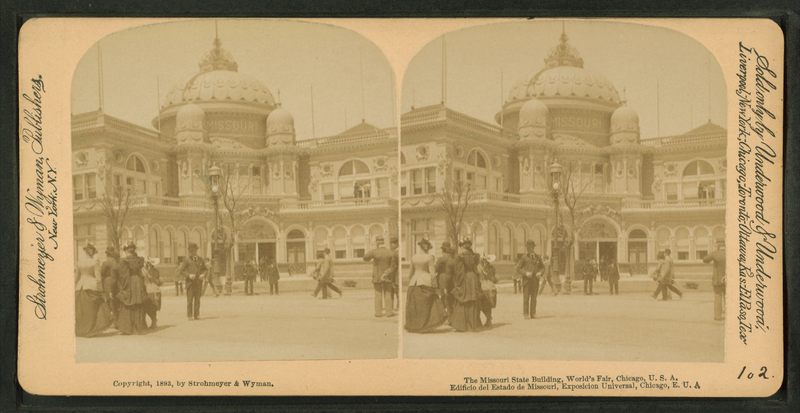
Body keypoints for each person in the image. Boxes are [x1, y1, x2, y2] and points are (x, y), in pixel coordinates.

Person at [404, 238, 447, 333]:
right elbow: (432, 273)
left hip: (414, 282)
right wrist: (435, 285)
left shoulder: (414, 257)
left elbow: (410, 273)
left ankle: (415, 325)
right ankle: (424, 325)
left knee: (415, 306)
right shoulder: (429, 257)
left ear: (420, 247)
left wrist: (411, 282)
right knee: (427, 305)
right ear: (428, 248)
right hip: (425, 281)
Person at [75, 243, 114, 337]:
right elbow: (98, 277)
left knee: (82, 310)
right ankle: (90, 329)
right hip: (91, 285)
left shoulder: (80, 262)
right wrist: (100, 289)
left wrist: (76, 286)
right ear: (92, 252)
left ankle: (81, 330)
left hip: (80, 287)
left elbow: (76, 277)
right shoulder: (94, 262)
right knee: (92, 310)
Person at [450, 239, 483, 331]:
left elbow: (459, 272)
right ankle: (473, 325)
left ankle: (462, 326)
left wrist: (457, 282)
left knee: (463, 300)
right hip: (473, 279)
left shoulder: (460, 257)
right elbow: (477, 269)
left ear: (462, 247)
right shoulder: (474, 256)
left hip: (465, 278)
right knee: (472, 301)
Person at [116, 241, 148, 334]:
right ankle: (139, 328)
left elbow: (124, 276)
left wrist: (123, 286)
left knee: (128, 304)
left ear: (126, 251)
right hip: (138, 282)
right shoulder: (139, 259)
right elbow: (140, 272)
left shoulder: (125, 261)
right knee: (138, 303)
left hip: (130, 282)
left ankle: (128, 328)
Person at [363, 235, 394, 317]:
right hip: (387, 276)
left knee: (378, 294)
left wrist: (373, 249)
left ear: (377, 243)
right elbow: (393, 266)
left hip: (377, 276)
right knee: (388, 293)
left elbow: (365, 258)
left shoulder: (375, 252)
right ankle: (389, 312)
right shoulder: (390, 252)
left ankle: (378, 313)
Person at [178, 242, 207, 320]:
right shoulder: (186, 260)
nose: (192, 252)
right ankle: (190, 316)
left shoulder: (201, 260)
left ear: (196, 250)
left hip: (198, 283)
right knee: (190, 300)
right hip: (190, 283)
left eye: (193, 250)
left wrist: (203, 275)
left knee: (197, 300)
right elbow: (182, 270)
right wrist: (189, 275)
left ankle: (197, 315)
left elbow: (205, 270)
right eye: (190, 250)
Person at [515, 240, 544, 319]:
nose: (528, 249)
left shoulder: (538, 257)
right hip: (526, 281)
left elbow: (543, 268)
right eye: (527, 248)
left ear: (533, 248)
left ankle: (533, 313)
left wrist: (540, 273)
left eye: (530, 247)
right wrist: (526, 273)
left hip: (535, 281)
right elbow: (518, 268)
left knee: (534, 298)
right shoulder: (524, 257)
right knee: (526, 298)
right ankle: (526, 313)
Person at [704, 239, 726, 320]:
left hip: (718, 280)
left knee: (718, 296)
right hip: (728, 279)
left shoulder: (715, 254)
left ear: (717, 245)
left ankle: (718, 316)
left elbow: (705, 260)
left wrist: (713, 251)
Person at [99, 245, 121, 322]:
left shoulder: (106, 263)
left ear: (108, 255)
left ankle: (114, 320)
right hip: (117, 283)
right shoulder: (118, 262)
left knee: (110, 302)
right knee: (116, 301)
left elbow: (101, 273)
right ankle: (117, 319)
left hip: (108, 282)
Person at [435, 241, 456, 318]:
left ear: (443, 250)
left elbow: (435, 269)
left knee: (444, 297)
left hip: (443, 278)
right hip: (452, 279)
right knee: (451, 297)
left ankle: (446, 315)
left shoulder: (441, 259)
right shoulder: (453, 258)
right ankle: (451, 314)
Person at [478, 254, 498, 327]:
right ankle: (488, 319)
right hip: (491, 288)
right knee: (488, 305)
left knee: (480, 305)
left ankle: (487, 319)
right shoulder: (492, 268)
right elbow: (496, 279)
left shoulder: (479, 268)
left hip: (483, 287)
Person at [143, 257, 163, 329]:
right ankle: (153, 322)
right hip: (156, 291)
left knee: (146, 307)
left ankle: (153, 322)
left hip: (147, 291)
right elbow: (161, 281)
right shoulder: (156, 271)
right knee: (153, 308)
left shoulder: (142, 271)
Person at [390, 236, 400, 312]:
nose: (391, 245)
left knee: (396, 290)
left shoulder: (395, 253)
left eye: (393, 244)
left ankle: (397, 306)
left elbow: (393, 266)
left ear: (396, 244)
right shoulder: (399, 251)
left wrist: (391, 276)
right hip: (399, 272)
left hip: (396, 274)